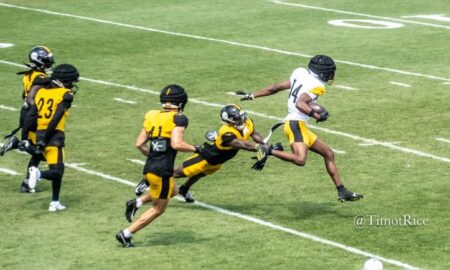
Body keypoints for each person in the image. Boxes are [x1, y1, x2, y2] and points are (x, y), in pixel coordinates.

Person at [238, 55, 363, 202]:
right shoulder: (318, 86)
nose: (331, 75)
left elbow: (275, 88)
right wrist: (316, 115)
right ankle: (269, 150)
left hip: (298, 125)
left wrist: (252, 95)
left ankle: (342, 191)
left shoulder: (300, 73)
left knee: (328, 153)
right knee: (300, 159)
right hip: (295, 124)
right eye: (329, 72)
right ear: (322, 72)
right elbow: (300, 103)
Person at [133, 104, 280, 204]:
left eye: (241, 116)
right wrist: (259, 148)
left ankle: (184, 190)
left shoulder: (246, 122)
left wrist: (265, 145)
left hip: (219, 161)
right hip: (206, 157)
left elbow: (254, 133)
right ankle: (147, 180)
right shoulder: (226, 132)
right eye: (236, 118)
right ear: (228, 120)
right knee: (177, 173)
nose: (241, 119)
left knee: (200, 175)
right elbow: (242, 144)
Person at [115, 84, 200, 248]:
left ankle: (137, 203)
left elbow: (139, 143)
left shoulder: (152, 115)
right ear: (181, 102)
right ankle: (126, 234)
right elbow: (176, 143)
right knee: (158, 209)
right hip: (162, 171)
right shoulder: (179, 118)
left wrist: (154, 156)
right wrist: (197, 149)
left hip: (150, 167)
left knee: (173, 190)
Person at [21, 63, 80, 211]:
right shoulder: (66, 94)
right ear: (65, 81)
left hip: (39, 133)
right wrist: (45, 138)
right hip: (54, 136)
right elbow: (55, 118)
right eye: (72, 81)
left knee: (56, 169)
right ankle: (38, 174)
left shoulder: (41, 92)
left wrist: (25, 137)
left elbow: (30, 116)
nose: (73, 84)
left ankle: (54, 202)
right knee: (57, 170)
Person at [0, 46, 54, 193]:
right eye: (46, 58)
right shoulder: (40, 77)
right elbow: (31, 97)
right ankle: (17, 144)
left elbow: (24, 95)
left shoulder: (31, 73)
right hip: (33, 114)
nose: (49, 61)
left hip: (27, 112)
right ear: (39, 59)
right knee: (41, 153)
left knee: (38, 152)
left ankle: (27, 183)